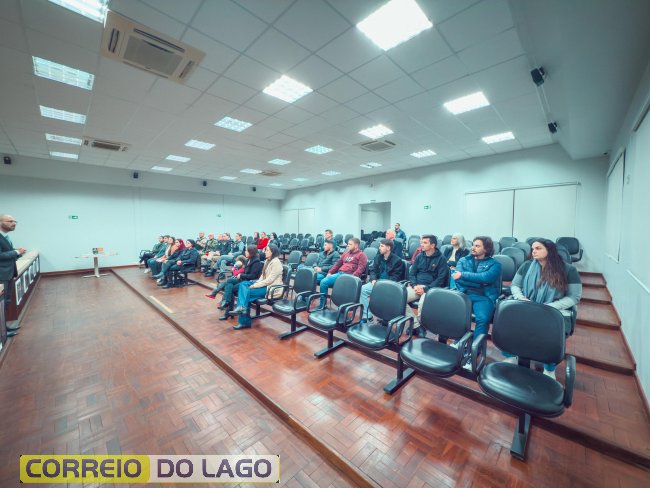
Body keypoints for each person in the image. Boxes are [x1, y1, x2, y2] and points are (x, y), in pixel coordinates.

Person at [503, 239, 583, 379]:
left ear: (550, 251)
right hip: (527, 305)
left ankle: (549, 368)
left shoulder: (568, 270)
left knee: (551, 333)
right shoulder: (526, 266)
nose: (533, 251)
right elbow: (515, 285)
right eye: (533, 248)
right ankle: (511, 356)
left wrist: (550, 307)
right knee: (510, 322)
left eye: (538, 248)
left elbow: (574, 297)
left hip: (553, 309)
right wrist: (521, 298)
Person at [452, 236, 502, 341]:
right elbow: (458, 280)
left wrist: (463, 275)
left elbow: (486, 278)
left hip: (484, 296)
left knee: (483, 320)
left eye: (477, 246)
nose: (473, 248)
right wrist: (480, 282)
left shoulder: (495, 264)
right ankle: (458, 342)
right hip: (464, 293)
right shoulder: (463, 260)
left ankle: (477, 347)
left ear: (486, 249)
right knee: (455, 316)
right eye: (473, 245)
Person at [231, 245, 283, 329]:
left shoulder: (276, 263)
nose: (264, 252)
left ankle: (244, 319)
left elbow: (270, 280)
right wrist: (256, 283)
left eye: (267, 250)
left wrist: (255, 285)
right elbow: (262, 276)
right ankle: (242, 309)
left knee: (246, 293)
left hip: (271, 288)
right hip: (263, 284)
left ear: (272, 252)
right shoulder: (267, 261)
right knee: (243, 284)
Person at [405, 235, 448, 334]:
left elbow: (440, 279)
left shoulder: (441, 259)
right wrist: (414, 285)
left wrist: (425, 289)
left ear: (432, 245)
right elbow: (412, 273)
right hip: (417, 286)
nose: (422, 245)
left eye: (425, 243)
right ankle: (416, 325)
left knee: (422, 304)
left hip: (432, 289)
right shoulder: (419, 256)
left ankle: (420, 325)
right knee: (399, 298)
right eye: (421, 242)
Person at [360, 239, 405, 322]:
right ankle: (367, 315)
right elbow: (373, 271)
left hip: (389, 285)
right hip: (377, 283)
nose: (379, 248)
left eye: (382, 246)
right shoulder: (378, 257)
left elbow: (396, 277)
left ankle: (387, 316)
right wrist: (373, 279)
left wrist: (382, 284)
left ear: (388, 248)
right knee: (363, 289)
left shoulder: (397, 260)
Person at [318, 237, 367, 309]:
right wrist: (330, 272)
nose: (348, 245)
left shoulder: (361, 255)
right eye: (348, 244)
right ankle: (322, 305)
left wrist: (353, 277)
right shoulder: (345, 254)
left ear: (356, 246)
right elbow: (337, 264)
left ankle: (346, 307)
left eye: (350, 244)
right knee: (323, 282)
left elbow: (361, 268)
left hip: (350, 276)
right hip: (340, 274)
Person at [218, 246, 263, 319]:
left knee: (230, 289)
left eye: (247, 251)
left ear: (251, 252)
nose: (245, 252)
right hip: (243, 279)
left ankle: (227, 310)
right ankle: (226, 302)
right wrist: (240, 273)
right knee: (229, 281)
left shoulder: (256, 262)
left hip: (248, 282)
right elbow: (245, 271)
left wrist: (241, 275)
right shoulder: (248, 260)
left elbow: (253, 276)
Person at [0, 214, 26, 337]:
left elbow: (6, 253)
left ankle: (4, 328)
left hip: (8, 274)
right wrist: (16, 252)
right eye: (10, 221)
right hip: (2, 275)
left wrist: (18, 253)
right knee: (2, 303)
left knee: (6, 302)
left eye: (15, 221)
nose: (13, 223)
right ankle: (2, 332)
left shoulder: (5, 237)